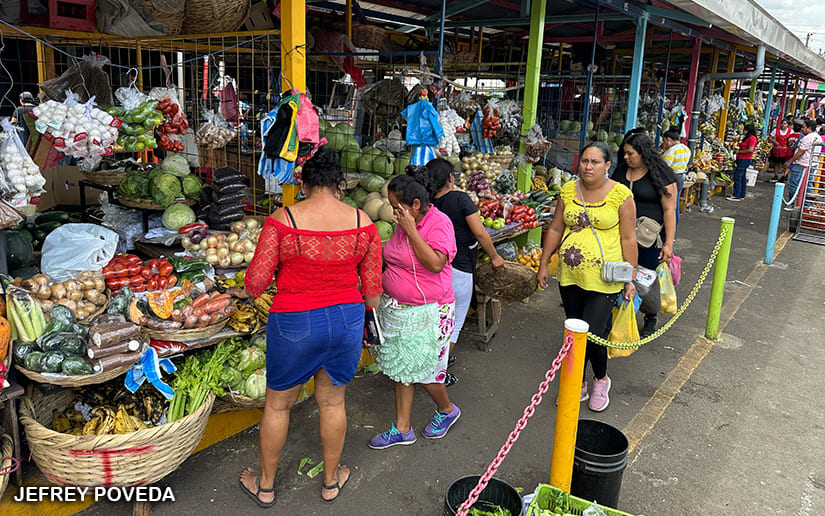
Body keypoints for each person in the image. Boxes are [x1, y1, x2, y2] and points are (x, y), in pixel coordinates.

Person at [241, 146, 383, 506]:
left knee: (277, 406)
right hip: (347, 320)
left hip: (294, 320)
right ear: (339, 184)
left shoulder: (282, 219)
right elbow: (373, 294)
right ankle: (331, 482)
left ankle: (266, 486)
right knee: (333, 403)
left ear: (302, 183)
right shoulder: (363, 223)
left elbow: (255, 283)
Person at [538, 142, 638, 412]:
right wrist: (544, 262)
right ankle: (576, 383)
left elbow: (629, 238)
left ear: (608, 165)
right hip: (570, 274)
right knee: (573, 332)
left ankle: (601, 379)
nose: (588, 166)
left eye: (595, 162)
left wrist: (631, 277)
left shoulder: (621, 195)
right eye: (584, 161)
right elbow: (557, 228)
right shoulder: (568, 190)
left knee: (593, 333)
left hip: (605, 278)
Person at [369, 174, 462, 449]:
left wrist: (410, 230)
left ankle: (447, 410)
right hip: (400, 311)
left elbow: (435, 264)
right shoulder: (403, 223)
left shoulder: (439, 223)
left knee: (425, 372)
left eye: (397, 207)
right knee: (402, 365)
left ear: (416, 204)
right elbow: (397, 255)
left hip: (431, 312)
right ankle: (402, 428)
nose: (393, 212)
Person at [416, 158, 506, 387]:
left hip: (432, 268)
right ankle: (438, 372)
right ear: (450, 178)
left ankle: (428, 363)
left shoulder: (425, 203)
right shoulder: (460, 199)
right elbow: (481, 234)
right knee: (452, 323)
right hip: (459, 269)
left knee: (434, 321)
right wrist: (495, 257)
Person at [611, 133, 678, 338]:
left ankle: (650, 315)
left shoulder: (660, 175)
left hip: (648, 240)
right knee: (617, 275)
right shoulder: (621, 171)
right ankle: (620, 316)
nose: (626, 157)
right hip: (619, 234)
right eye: (624, 153)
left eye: (630, 154)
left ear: (643, 153)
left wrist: (668, 244)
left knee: (644, 282)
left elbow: (669, 211)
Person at [784, 118, 821, 211]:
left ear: (809, 128)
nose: (802, 129)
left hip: (802, 164)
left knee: (793, 183)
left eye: (804, 127)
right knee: (808, 185)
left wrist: (790, 162)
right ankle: (807, 205)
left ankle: (793, 204)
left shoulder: (807, 138)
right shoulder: (817, 137)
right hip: (811, 164)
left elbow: (800, 152)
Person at [661, 129, 691, 223]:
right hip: (680, 177)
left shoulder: (672, 150)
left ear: (668, 139)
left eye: (664, 141)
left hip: (670, 178)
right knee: (675, 205)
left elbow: (664, 166)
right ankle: (674, 226)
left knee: (668, 205)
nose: (664, 144)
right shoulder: (686, 149)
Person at [727, 124, 758, 202]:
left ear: (748, 131)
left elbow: (750, 149)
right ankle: (741, 194)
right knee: (742, 177)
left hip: (745, 159)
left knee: (738, 176)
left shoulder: (752, 138)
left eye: (744, 130)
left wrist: (739, 151)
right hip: (742, 158)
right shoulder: (748, 138)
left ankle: (736, 194)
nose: (743, 131)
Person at [767, 118, 792, 182]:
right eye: (782, 124)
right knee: (777, 163)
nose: (783, 125)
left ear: (787, 125)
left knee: (785, 163)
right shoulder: (776, 130)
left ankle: (784, 175)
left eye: (785, 124)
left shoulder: (790, 131)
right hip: (777, 150)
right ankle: (775, 175)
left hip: (785, 151)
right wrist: (774, 141)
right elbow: (770, 138)